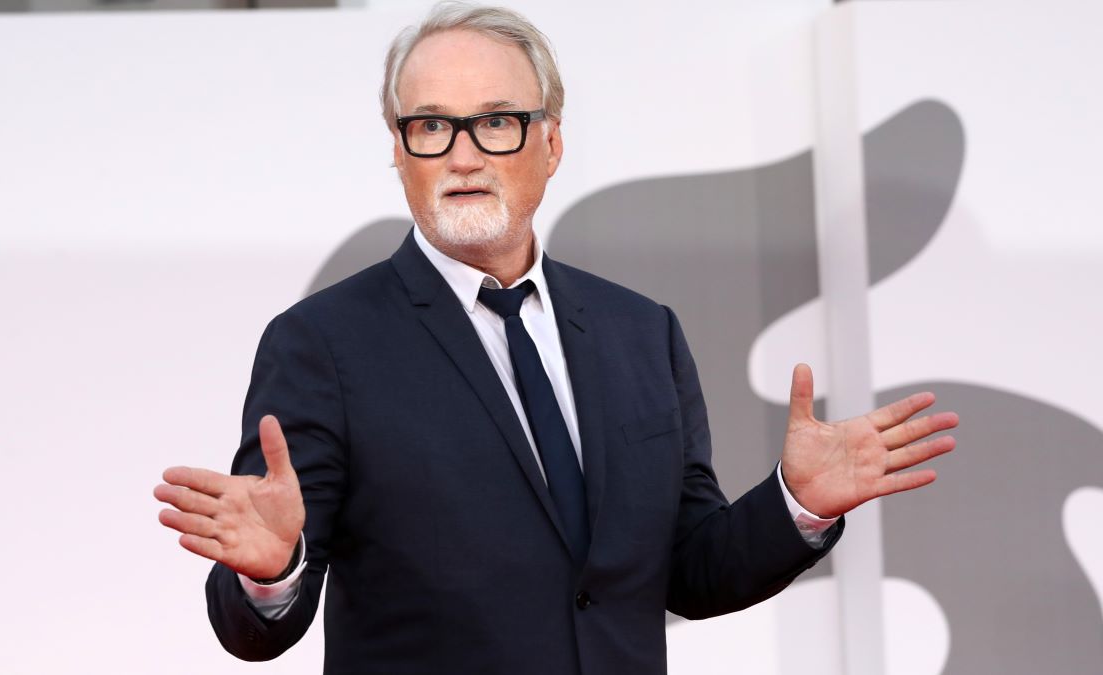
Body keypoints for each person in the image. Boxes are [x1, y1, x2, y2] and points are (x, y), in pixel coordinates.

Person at [153, 3, 958, 673]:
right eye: (431, 125)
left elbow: (689, 569)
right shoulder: (321, 345)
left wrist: (797, 504)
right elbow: (256, 625)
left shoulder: (642, 333)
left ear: (551, 142)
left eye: (497, 121)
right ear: (398, 151)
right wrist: (272, 570)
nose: (463, 154)